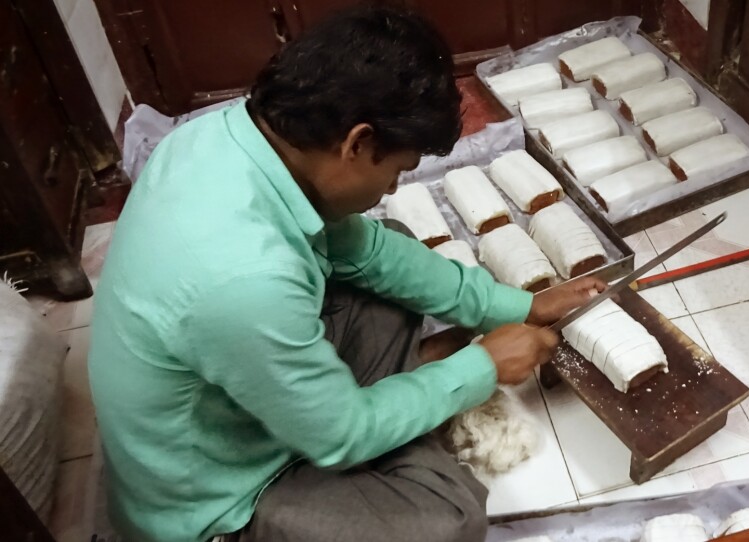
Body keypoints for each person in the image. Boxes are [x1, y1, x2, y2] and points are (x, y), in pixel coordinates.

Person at [88, 6, 606, 542]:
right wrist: (480, 368)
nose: (393, 190)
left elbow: (373, 253)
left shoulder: (223, 136)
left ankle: (390, 403)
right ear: (356, 143)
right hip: (216, 493)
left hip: (239, 393)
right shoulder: (242, 278)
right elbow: (342, 437)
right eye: (398, 170)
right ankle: (391, 412)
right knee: (444, 520)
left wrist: (520, 307)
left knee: (391, 257)